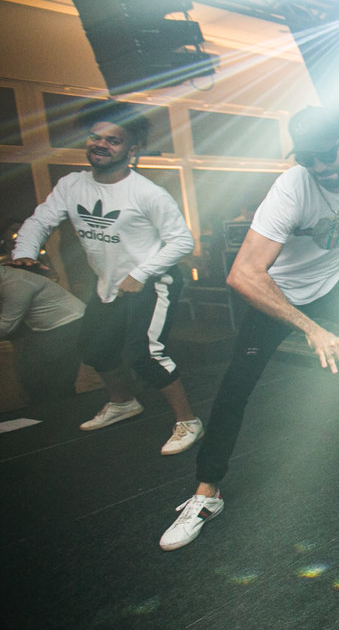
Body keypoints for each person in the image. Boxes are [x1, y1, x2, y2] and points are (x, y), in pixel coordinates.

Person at [159, 106, 339, 551]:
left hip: (335, 285)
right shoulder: (290, 192)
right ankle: (206, 494)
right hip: (281, 296)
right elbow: (242, 276)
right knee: (235, 388)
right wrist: (310, 329)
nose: (317, 167)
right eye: (305, 158)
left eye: (325, 156)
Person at [9, 101, 202, 453]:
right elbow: (40, 221)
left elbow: (182, 241)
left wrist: (141, 273)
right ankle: (123, 402)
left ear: (131, 150)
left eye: (113, 141)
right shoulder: (72, 185)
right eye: (96, 137)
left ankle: (187, 420)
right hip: (109, 283)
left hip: (153, 282)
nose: (101, 144)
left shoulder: (147, 193)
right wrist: (23, 254)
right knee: (95, 348)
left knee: (145, 353)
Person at [0, 263, 85, 399]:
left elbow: (5, 327)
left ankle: (65, 410)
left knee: (57, 381)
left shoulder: (15, 284)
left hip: (69, 324)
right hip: (49, 328)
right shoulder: (8, 277)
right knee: (38, 377)